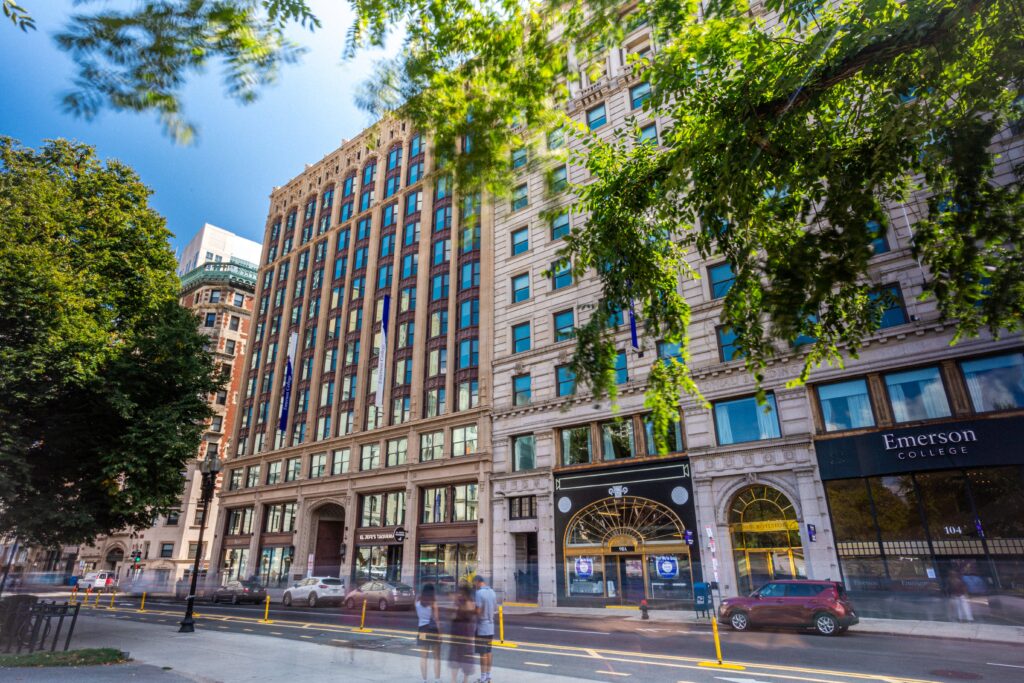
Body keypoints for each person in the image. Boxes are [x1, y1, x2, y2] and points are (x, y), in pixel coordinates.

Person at [448, 583, 475, 683]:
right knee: (466, 658)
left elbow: (453, 616)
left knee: (455, 657)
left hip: (458, 633)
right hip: (467, 634)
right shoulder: (471, 602)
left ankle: (454, 680)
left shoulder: (460, 602)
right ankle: (465, 680)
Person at [473, 575, 497, 683]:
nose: (474, 586)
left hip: (482, 627)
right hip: (490, 626)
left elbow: (478, 611)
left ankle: (482, 678)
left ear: (478, 582)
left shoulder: (479, 593)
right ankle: (488, 676)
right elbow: (495, 609)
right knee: (489, 651)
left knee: (482, 653)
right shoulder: (492, 592)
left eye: (474, 584)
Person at [417, 584, 442, 683]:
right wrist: (440, 634)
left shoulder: (418, 602)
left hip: (422, 630)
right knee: (436, 656)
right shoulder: (433, 603)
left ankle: (424, 680)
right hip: (432, 630)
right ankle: (437, 679)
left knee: (424, 656)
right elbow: (437, 620)